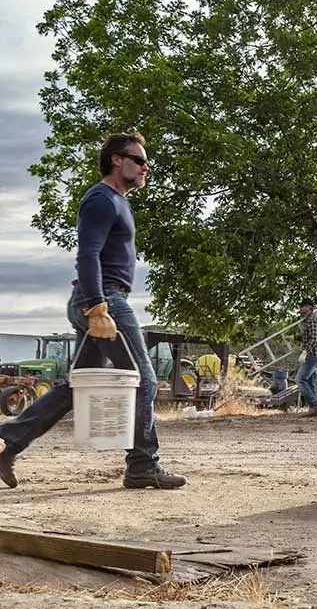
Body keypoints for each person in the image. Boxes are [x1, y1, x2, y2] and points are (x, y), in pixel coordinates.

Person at [0, 132, 185, 490]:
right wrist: (98, 306)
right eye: (139, 159)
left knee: (78, 386)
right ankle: (143, 465)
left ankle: (8, 442)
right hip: (103, 300)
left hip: (95, 298)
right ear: (117, 160)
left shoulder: (117, 201)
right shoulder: (102, 199)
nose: (146, 167)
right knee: (143, 380)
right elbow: (87, 254)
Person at [294, 298, 317, 418]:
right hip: (312, 355)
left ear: (310, 307)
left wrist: (306, 351)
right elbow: (309, 336)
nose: (301, 308)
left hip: (313, 355)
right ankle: (314, 409)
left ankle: (314, 405)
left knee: (300, 379)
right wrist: (297, 337)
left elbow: (314, 338)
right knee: (310, 382)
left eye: (303, 306)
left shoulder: (312, 320)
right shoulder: (307, 321)